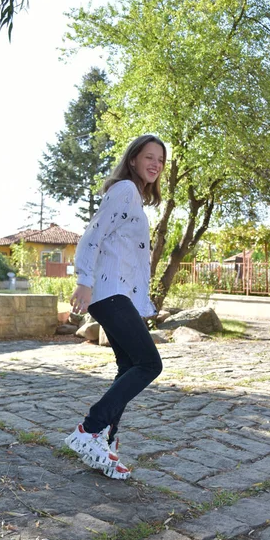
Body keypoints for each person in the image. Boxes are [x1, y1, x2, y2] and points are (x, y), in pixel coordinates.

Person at [65, 134, 166, 480]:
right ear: (134, 159)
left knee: (128, 366)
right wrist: (84, 280)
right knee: (149, 363)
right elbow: (92, 235)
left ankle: (103, 441)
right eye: (149, 157)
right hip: (108, 293)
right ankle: (90, 429)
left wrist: (139, 301)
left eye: (161, 160)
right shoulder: (124, 190)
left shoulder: (134, 198)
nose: (155, 164)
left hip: (117, 294)